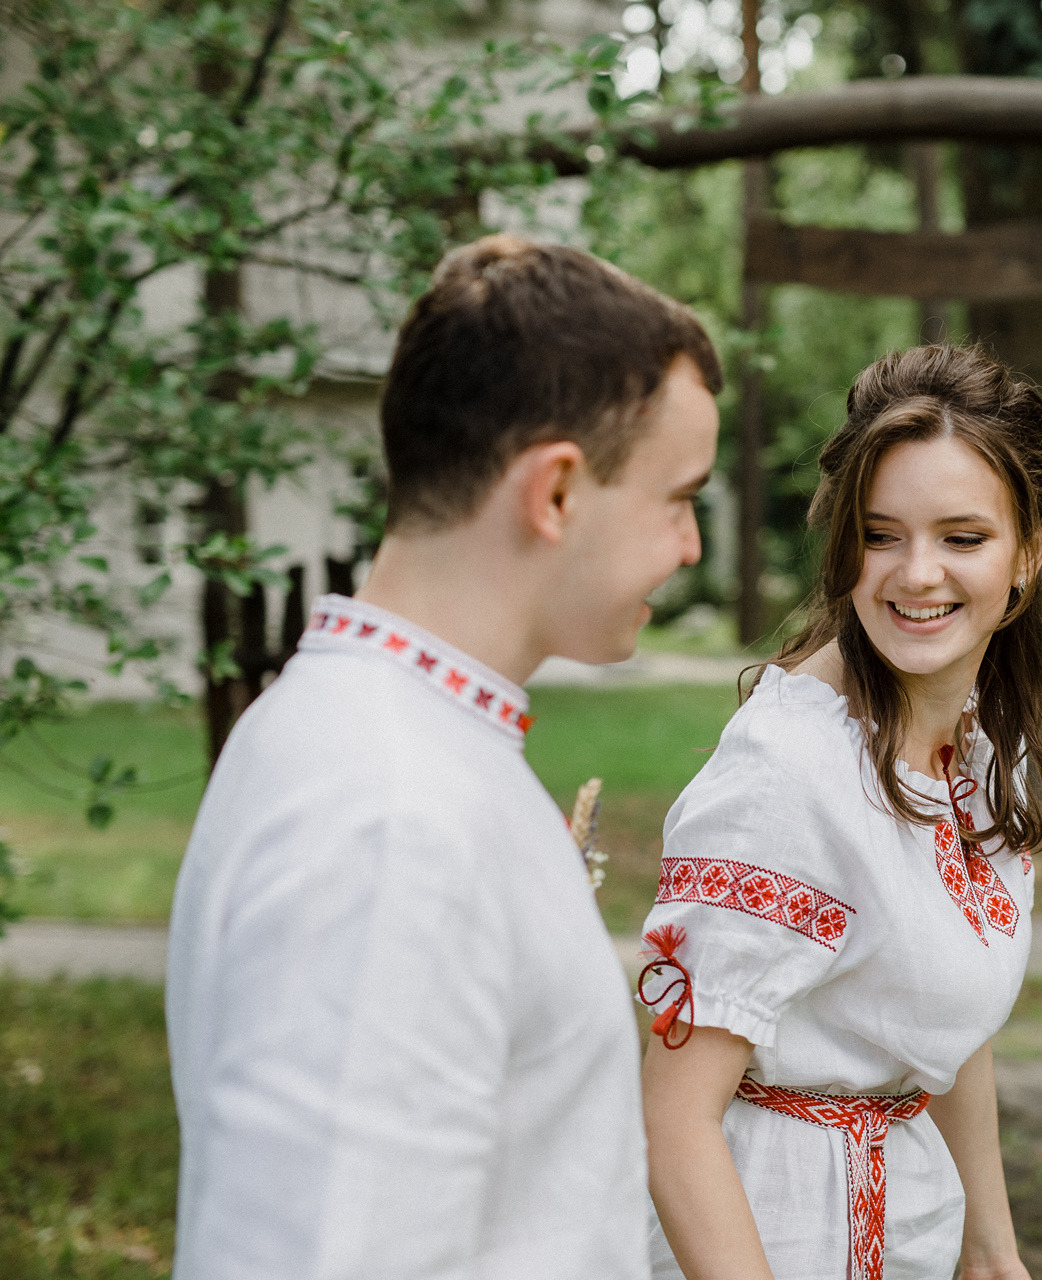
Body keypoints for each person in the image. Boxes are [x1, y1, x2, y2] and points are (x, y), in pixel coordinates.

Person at [166, 235, 722, 1279]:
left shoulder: (375, 733)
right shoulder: (389, 816)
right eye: (678, 495)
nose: (691, 544)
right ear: (556, 491)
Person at [637, 344, 1042, 1280]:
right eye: (882, 535)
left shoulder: (979, 752)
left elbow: (943, 1023)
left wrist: (993, 1248)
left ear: (1029, 551)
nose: (917, 574)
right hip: (775, 1232)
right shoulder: (786, 774)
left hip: (911, 1216)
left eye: (963, 538)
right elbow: (675, 1121)